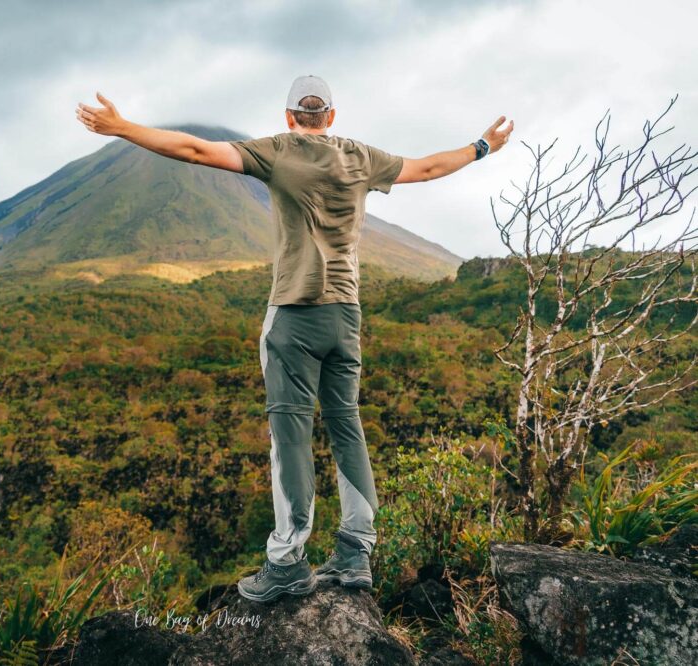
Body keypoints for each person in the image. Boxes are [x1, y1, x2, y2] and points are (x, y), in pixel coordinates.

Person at [75, 75, 514, 603]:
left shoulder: (278, 152)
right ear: (331, 116)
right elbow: (427, 167)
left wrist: (122, 128)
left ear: (290, 118)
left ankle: (287, 560)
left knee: (290, 435)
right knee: (346, 426)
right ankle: (356, 553)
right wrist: (483, 145)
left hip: (294, 315)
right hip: (345, 315)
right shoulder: (360, 157)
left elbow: (193, 149)